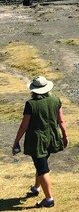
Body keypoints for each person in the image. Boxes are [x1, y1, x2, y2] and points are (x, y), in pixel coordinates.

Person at [12, 76, 68, 208]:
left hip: (37, 141)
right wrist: (65, 136)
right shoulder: (56, 100)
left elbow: (24, 126)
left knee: (42, 168)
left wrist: (16, 141)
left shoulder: (31, 104)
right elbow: (61, 121)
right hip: (52, 137)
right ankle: (36, 187)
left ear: (34, 91)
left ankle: (49, 199)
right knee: (41, 163)